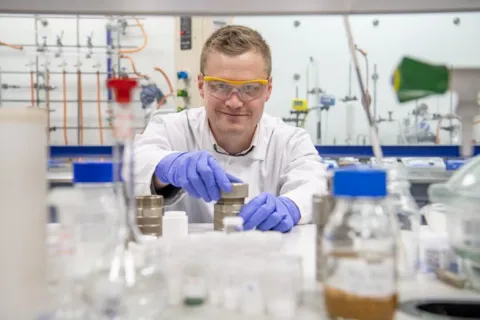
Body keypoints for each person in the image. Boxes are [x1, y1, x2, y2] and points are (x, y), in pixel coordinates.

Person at [133, 25, 327, 232]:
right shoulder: (171, 128)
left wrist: (291, 206)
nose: (234, 102)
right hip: (185, 259)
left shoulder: (290, 141)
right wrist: (166, 167)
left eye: (250, 88)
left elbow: (314, 184)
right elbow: (134, 164)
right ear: (201, 86)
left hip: (265, 258)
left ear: (268, 89)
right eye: (220, 86)